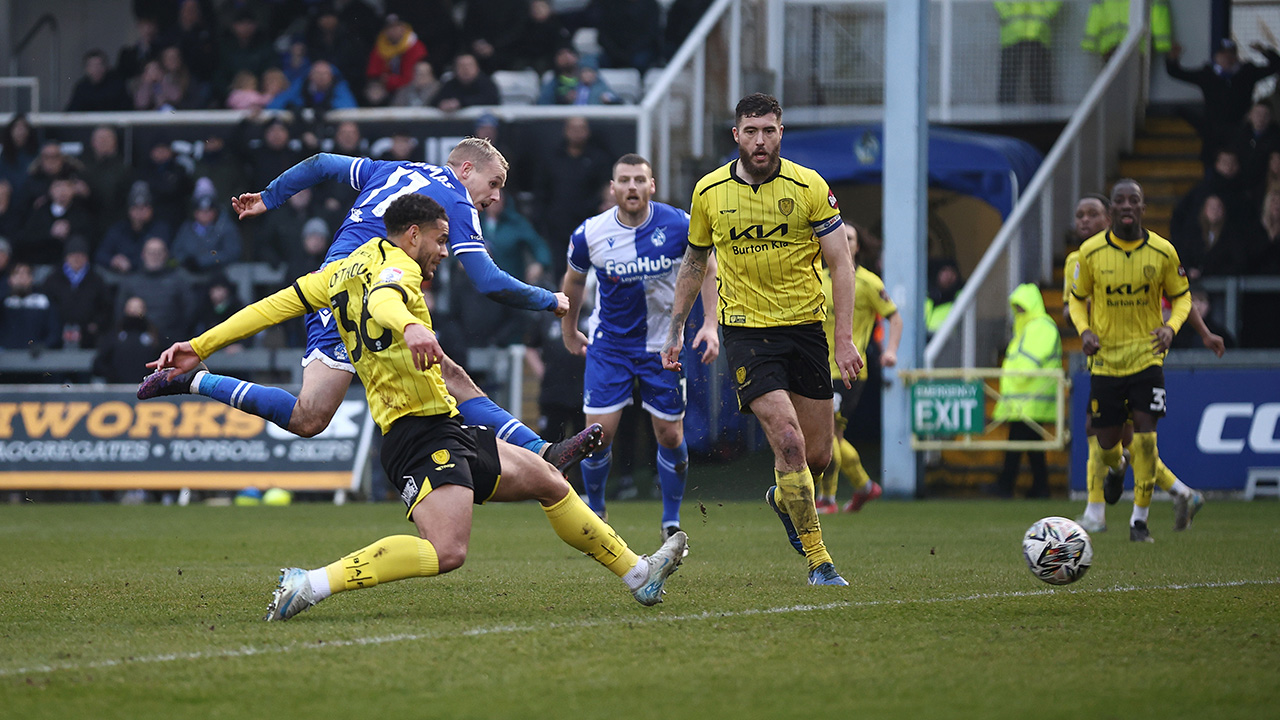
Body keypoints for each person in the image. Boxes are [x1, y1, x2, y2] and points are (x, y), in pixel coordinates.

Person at [143, 194, 687, 620]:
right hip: (416, 437)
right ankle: (308, 584)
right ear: (412, 235)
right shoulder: (397, 271)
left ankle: (640, 575)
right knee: (447, 551)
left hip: (442, 425)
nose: (444, 250)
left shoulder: (335, 273)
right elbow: (383, 298)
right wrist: (406, 323)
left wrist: (201, 345)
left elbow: (268, 308)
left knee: (550, 481)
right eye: (440, 239)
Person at [138, 138, 602, 471]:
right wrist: (552, 300)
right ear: (465, 170)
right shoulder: (456, 201)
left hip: (334, 284)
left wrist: (270, 198)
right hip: (375, 288)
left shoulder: (393, 171)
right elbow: (487, 280)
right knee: (449, 378)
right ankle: (541, 452)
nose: (496, 195)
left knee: (310, 416)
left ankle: (194, 380)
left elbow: (320, 162)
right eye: (494, 182)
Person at [662, 93, 862, 586]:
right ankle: (820, 561)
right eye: (750, 131)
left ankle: (782, 497)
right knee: (788, 441)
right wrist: (674, 329)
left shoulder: (810, 185)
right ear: (736, 135)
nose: (759, 140)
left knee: (817, 456)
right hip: (748, 333)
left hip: (806, 330)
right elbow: (693, 263)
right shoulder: (709, 192)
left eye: (768, 130)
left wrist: (843, 339)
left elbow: (841, 264)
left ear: (780, 132)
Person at [561, 153, 719, 536]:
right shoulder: (589, 233)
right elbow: (574, 281)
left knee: (671, 434)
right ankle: (595, 512)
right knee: (598, 434)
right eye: (624, 180)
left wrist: (711, 324)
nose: (632, 187)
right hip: (610, 345)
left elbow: (708, 266)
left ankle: (670, 520)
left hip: (662, 345)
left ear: (652, 186)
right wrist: (569, 331)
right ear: (612, 188)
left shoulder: (679, 224)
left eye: (639, 180)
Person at [1064, 192, 1220, 533]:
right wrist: (1083, 326)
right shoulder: (1080, 259)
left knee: (1141, 438)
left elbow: (1181, 297)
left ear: (1110, 217)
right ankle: (1178, 492)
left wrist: (1194, 331)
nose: (1085, 221)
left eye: (1092, 213)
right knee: (1112, 439)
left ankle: (1127, 518)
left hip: (1145, 357)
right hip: (1104, 361)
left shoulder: (1157, 251)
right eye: (1079, 215)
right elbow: (1072, 304)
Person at [816, 224, 901, 514]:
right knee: (832, 437)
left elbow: (895, 318)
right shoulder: (818, 277)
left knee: (827, 435)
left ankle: (827, 499)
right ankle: (865, 487)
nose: (843, 241)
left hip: (847, 372)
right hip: (817, 368)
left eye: (850, 237)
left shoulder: (868, 282)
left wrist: (890, 351)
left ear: (857, 246)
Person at [1167, 38, 1280, 169]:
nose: (1227, 59)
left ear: (1236, 57)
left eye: (1231, 55)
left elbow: (1276, 65)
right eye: (1223, 55)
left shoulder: (1247, 73)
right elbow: (1176, 73)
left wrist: (1264, 51)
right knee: (1211, 163)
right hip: (1213, 132)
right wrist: (1172, 58)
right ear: (1216, 57)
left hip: (1240, 130)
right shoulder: (1207, 75)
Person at [993, 283, 1061, 499]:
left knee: (1020, 442)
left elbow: (1028, 363)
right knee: (1031, 446)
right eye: (1017, 307)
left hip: (1032, 396)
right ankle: (1039, 488)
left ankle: (1007, 485)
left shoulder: (1040, 327)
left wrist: (1015, 377)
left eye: (1022, 307)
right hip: (1026, 398)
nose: (1019, 312)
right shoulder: (1027, 329)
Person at [40, 236, 112, 350]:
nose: (77, 259)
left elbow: (106, 307)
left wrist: (96, 325)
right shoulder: (53, 279)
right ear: (66, 257)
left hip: (89, 338)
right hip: (57, 336)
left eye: (81, 255)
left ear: (87, 258)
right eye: (73, 255)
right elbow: (46, 305)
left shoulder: (97, 280)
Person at [994, 2, 1061, 105]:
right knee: (1008, 81)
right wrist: (1006, 12)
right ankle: (1004, 117)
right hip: (1013, 31)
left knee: (1041, 81)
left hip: (1038, 32)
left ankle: (1044, 117)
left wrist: (1046, 13)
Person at [170, 193, 242, 273]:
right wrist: (187, 260)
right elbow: (176, 251)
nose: (205, 214)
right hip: (188, 274)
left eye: (208, 211)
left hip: (218, 273)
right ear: (195, 213)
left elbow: (232, 253)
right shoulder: (186, 228)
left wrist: (203, 260)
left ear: (215, 212)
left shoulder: (225, 228)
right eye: (201, 211)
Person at [1082, 0, 1171, 61]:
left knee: (1113, 85)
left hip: (1112, 48)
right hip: (1136, 47)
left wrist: (1090, 42)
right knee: (1133, 85)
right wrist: (1162, 43)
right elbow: (1159, 13)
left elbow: (1095, 14)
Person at [366, 14, 429, 96]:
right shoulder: (380, 47)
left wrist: (389, 80)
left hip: (411, 89)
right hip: (386, 91)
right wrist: (376, 86)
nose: (394, 30)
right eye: (390, 27)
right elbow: (373, 74)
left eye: (397, 26)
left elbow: (410, 78)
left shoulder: (414, 46)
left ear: (404, 28)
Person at [65, 49, 131, 112]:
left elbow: (126, 110)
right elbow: (72, 111)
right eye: (92, 66)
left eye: (99, 65)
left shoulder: (117, 85)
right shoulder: (81, 88)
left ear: (105, 67)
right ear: (86, 69)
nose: (96, 69)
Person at [431, 53, 501, 111]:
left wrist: (460, 103)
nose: (466, 69)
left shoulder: (487, 83)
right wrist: (442, 104)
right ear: (455, 69)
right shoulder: (450, 84)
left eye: (469, 65)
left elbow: (491, 99)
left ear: (477, 68)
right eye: (461, 66)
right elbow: (434, 102)